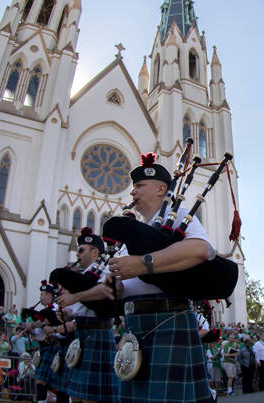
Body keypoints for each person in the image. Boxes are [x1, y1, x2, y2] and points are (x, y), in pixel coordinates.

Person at [101, 153, 219, 402]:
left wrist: (143, 264)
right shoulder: (130, 236)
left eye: (140, 186)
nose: (132, 193)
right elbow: (121, 284)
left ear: (161, 188)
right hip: (134, 326)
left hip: (168, 321)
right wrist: (114, 286)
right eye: (133, 187)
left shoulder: (178, 217)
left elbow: (201, 250)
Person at [55, 228, 119, 403]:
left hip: (98, 332)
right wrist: (66, 313)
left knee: (91, 397)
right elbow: (76, 309)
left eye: (82, 250)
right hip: (81, 335)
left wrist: (74, 296)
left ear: (95, 252)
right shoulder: (81, 276)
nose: (78, 254)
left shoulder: (106, 270)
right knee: (75, 395)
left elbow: (107, 290)